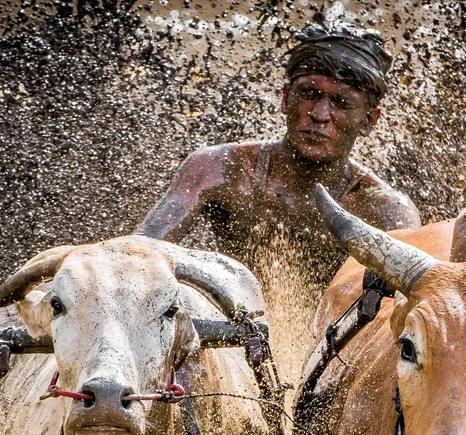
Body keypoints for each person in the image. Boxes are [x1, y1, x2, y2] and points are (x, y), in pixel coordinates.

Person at [136, 22, 421, 293]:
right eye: (309, 94)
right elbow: (139, 254)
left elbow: (415, 305)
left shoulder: (386, 211)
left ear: (369, 120)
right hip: (232, 324)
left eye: (341, 103)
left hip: (332, 341)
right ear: (286, 98)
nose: (320, 115)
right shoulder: (218, 169)